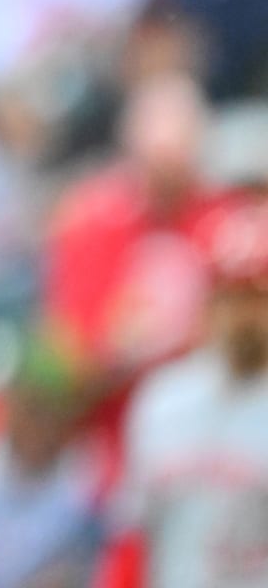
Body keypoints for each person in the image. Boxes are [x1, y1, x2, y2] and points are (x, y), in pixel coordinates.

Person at [107, 204, 268, 588]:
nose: (244, 315)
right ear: (209, 301)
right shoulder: (162, 399)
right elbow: (133, 534)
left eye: (256, 296)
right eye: (230, 295)